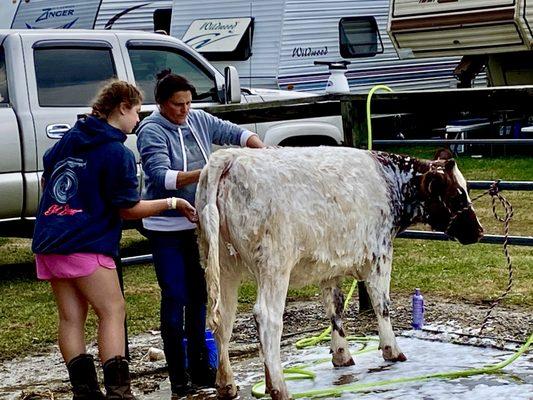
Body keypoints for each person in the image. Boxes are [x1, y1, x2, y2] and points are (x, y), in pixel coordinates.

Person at [31, 80, 198, 400]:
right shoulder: (116, 152)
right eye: (136, 112)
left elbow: (47, 175)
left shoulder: (70, 138)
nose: (137, 120)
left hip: (49, 239)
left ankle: (86, 393)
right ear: (122, 107)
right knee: (113, 310)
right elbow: (128, 209)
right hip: (86, 242)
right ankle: (119, 393)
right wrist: (173, 202)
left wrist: (70, 203)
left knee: (70, 317)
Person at [136, 69, 265, 398]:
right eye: (178, 105)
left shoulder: (200, 120)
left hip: (200, 227)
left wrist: (258, 148)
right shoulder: (151, 130)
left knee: (199, 296)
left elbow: (235, 133)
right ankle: (178, 374)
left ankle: (201, 368)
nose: (185, 110)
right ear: (163, 104)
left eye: (189, 103)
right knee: (174, 295)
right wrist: (209, 172)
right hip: (166, 226)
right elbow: (160, 174)